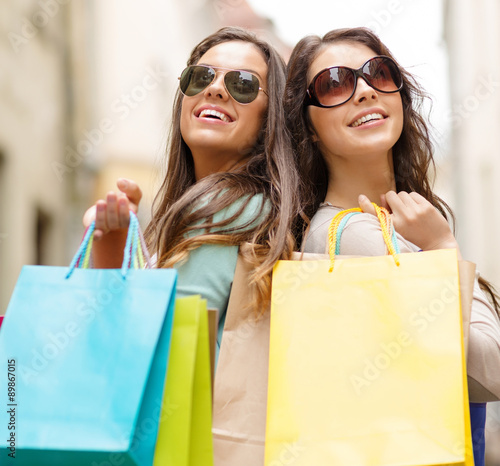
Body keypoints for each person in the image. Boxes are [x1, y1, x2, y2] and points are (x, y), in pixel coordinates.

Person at [285, 27, 500, 466]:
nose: (363, 90)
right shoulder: (354, 237)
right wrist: (442, 246)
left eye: (378, 74)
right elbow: (490, 370)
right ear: (308, 128)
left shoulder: (390, 224)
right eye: (334, 84)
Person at [83, 26, 299, 359]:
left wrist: (111, 249)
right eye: (200, 77)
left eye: (242, 84)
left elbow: (167, 354)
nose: (214, 89)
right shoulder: (257, 205)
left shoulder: (224, 209)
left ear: (269, 119)